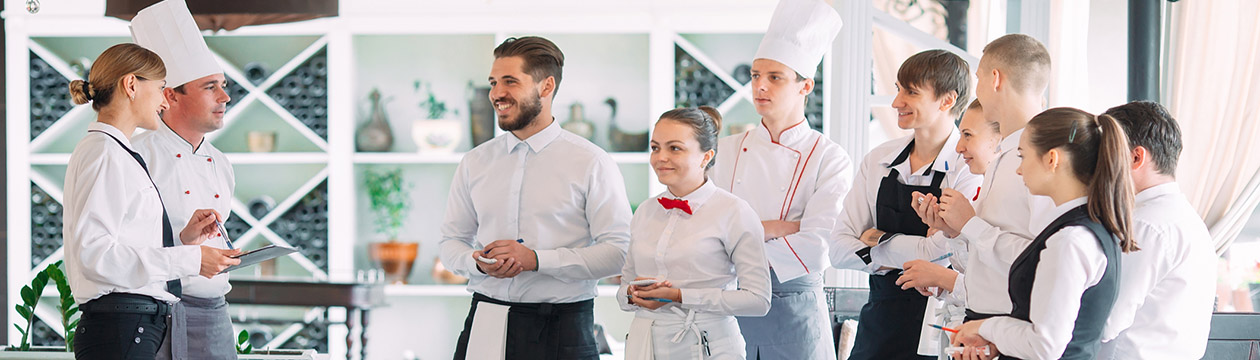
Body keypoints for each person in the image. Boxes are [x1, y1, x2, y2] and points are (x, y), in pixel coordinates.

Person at [440, 36, 633, 360]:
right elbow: (450, 243)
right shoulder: (475, 162)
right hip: (484, 321)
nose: (496, 94)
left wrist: (536, 259)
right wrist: (477, 263)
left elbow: (619, 251)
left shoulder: (591, 162)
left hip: (563, 329)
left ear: (546, 87)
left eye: (510, 82)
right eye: (493, 82)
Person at [63, 43, 240, 360]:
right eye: (160, 88)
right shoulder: (105, 152)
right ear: (131, 85)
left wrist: (183, 241)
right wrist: (191, 259)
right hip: (122, 326)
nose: (163, 100)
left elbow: (124, 239)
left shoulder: (115, 151)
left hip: (131, 327)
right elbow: (95, 255)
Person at [707, 1, 850, 358]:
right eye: (756, 76)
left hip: (794, 313)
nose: (761, 86)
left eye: (775, 77)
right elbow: (704, 230)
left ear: (806, 86)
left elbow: (819, 245)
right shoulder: (724, 150)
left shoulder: (829, 157)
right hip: (729, 307)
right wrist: (778, 226)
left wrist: (741, 235)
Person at [828, 49, 982, 359]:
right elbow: (837, 250)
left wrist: (873, 240)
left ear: (947, 100)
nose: (897, 102)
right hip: (880, 321)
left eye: (910, 92)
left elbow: (942, 253)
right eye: (898, 89)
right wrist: (921, 250)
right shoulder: (878, 161)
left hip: (941, 323)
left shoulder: (969, 165)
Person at [951, 107, 1136, 360]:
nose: (1018, 170)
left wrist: (985, 326)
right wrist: (998, 341)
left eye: (1022, 156)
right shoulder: (1090, 228)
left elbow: (1045, 346)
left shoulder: (1070, 240)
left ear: (1051, 159)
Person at [128, 1, 238, 358]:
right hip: (157, 312)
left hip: (216, 313)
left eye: (223, 85)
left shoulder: (221, 163)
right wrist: (183, 242)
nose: (225, 97)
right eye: (210, 87)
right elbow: (117, 248)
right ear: (170, 94)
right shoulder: (135, 156)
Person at [620, 107, 772, 359]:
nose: (660, 157)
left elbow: (758, 301)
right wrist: (632, 293)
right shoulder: (645, 211)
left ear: (706, 157)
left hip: (708, 345)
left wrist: (680, 296)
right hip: (644, 344)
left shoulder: (735, 212)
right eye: (655, 147)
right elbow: (624, 287)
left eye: (674, 148)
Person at [927, 34, 1055, 325]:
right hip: (983, 320)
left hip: (1013, 324)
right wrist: (955, 230)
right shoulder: (1003, 158)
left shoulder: (1044, 160)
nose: (977, 90)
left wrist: (971, 224)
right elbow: (987, 259)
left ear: (995, 79)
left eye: (978, 78)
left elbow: (1045, 256)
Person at [1096, 101, 1215, 360]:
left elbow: (1105, 321)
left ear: (1136, 157)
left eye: (1105, 152)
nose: (1096, 166)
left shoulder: (1146, 225)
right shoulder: (1184, 217)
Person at [896, 99, 1001, 359]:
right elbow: (975, 269)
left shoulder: (1007, 200)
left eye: (967, 135)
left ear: (999, 140)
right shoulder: (984, 190)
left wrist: (944, 278)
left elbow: (1003, 285)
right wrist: (949, 231)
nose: (958, 146)